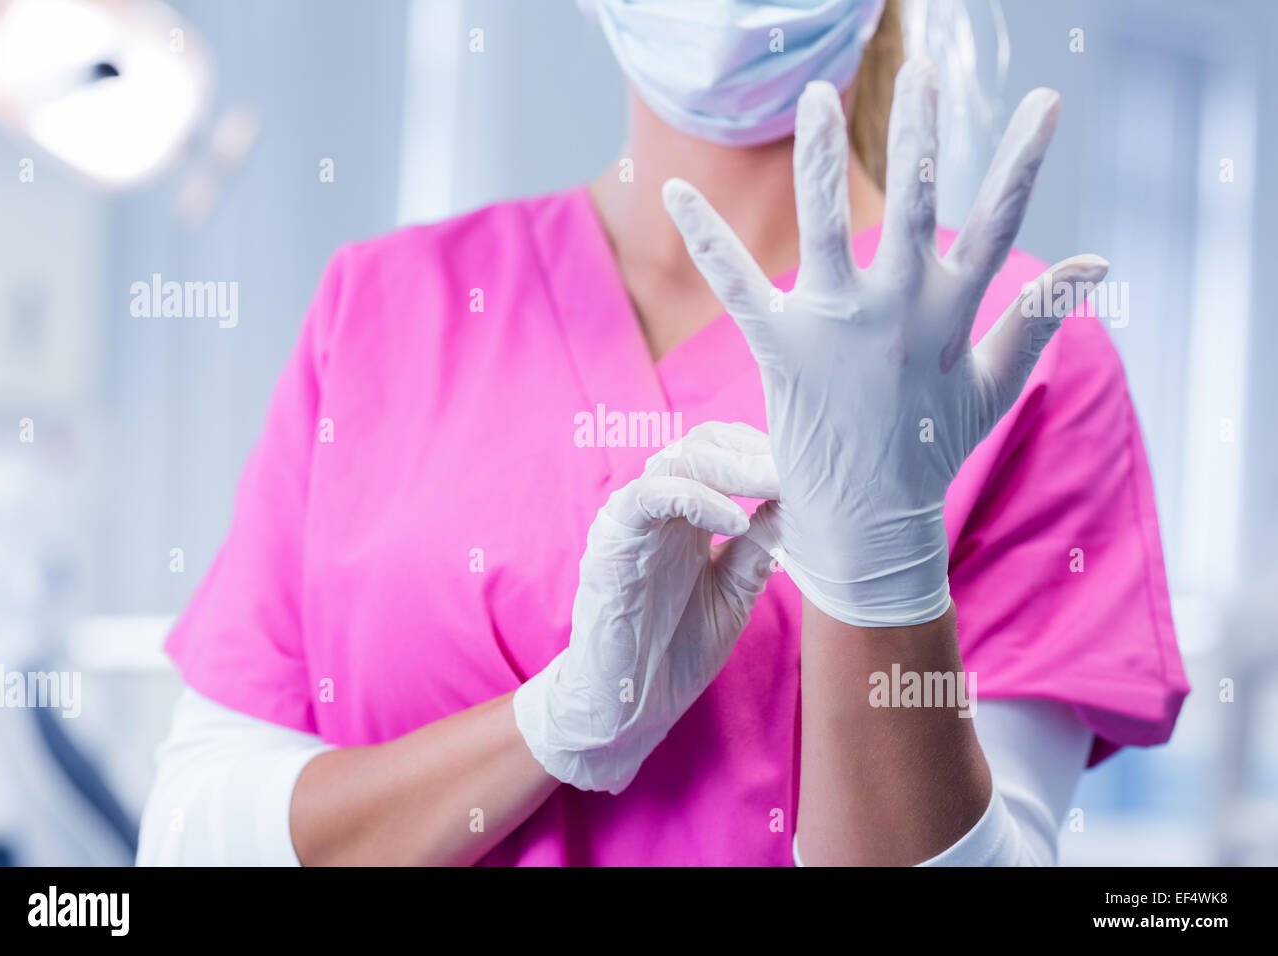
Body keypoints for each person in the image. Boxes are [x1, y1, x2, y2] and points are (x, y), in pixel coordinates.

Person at [137, 0, 1187, 866]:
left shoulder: (1009, 354)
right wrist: (552, 727)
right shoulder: (384, 307)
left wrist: (880, 563)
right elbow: (188, 838)